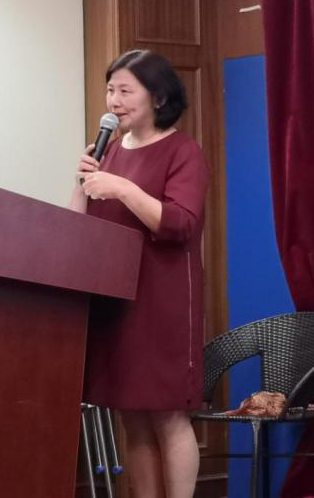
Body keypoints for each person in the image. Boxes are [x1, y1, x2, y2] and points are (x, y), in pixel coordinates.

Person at [69, 50, 208, 498]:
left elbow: (180, 223)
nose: (114, 100)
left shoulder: (182, 151)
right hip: (115, 300)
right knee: (131, 414)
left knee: (167, 414)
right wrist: (81, 184)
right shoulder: (107, 152)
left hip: (162, 301)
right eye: (111, 90)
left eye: (126, 91)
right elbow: (79, 227)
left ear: (158, 97)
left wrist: (123, 188)